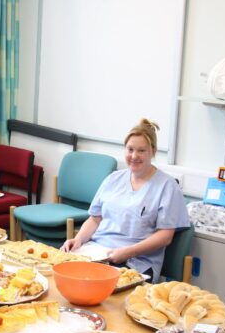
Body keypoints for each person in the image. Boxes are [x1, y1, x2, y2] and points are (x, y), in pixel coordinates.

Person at [61, 118, 189, 282]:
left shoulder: (167, 186)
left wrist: (129, 252)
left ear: (153, 151)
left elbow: (165, 236)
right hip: (96, 253)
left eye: (141, 151)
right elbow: (95, 219)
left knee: (96, 288)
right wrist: (78, 240)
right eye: (130, 149)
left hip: (136, 262)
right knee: (63, 276)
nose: (134, 156)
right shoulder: (113, 179)